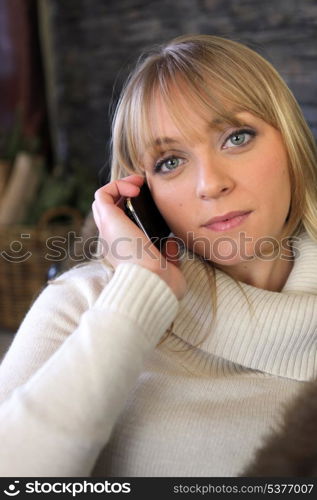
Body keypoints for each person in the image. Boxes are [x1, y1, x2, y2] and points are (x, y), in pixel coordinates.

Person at [0, 33, 317, 477]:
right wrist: (141, 290)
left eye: (236, 137)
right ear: (142, 195)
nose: (210, 183)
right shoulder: (85, 301)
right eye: (170, 161)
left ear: (291, 143)